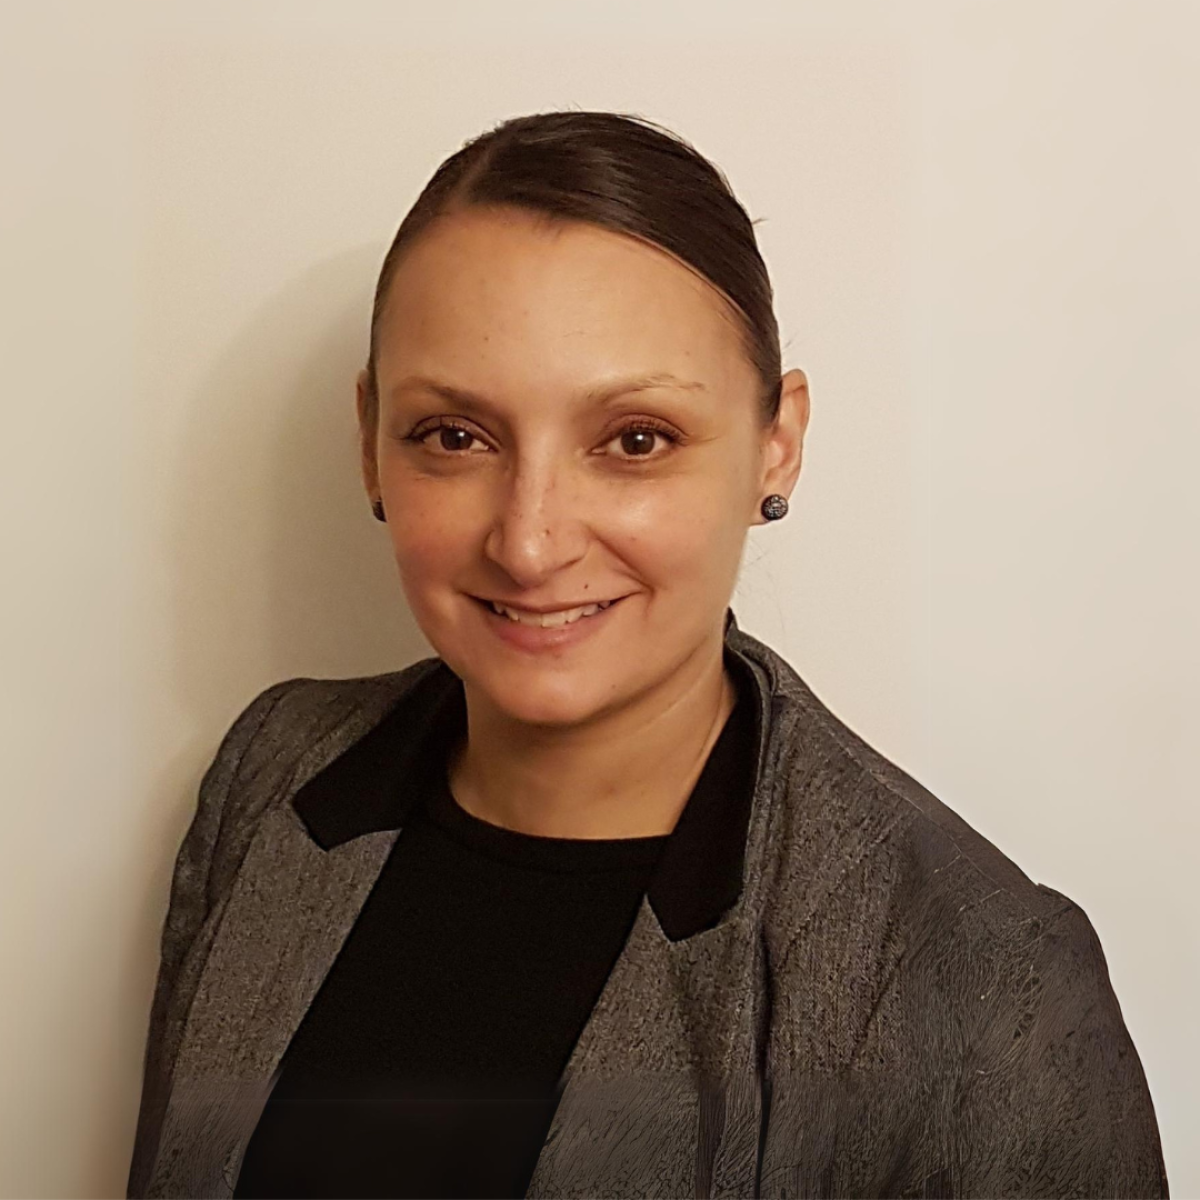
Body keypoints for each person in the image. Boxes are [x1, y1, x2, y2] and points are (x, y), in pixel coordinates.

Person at [125, 110, 1169, 1199]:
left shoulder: (990, 986)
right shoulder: (270, 777)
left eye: (635, 440)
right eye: (454, 436)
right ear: (371, 442)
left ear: (780, 443)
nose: (529, 540)